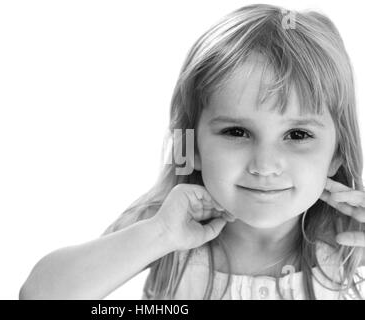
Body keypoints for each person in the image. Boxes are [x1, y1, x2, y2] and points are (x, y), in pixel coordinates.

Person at [19, 4, 365, 300]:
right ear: (191, 145)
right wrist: (160, 234)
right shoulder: (163, 226)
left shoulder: (351, 245)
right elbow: (39, 293)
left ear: (338, 151)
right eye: (237, 132)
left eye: (297, 134)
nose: (265, 165)